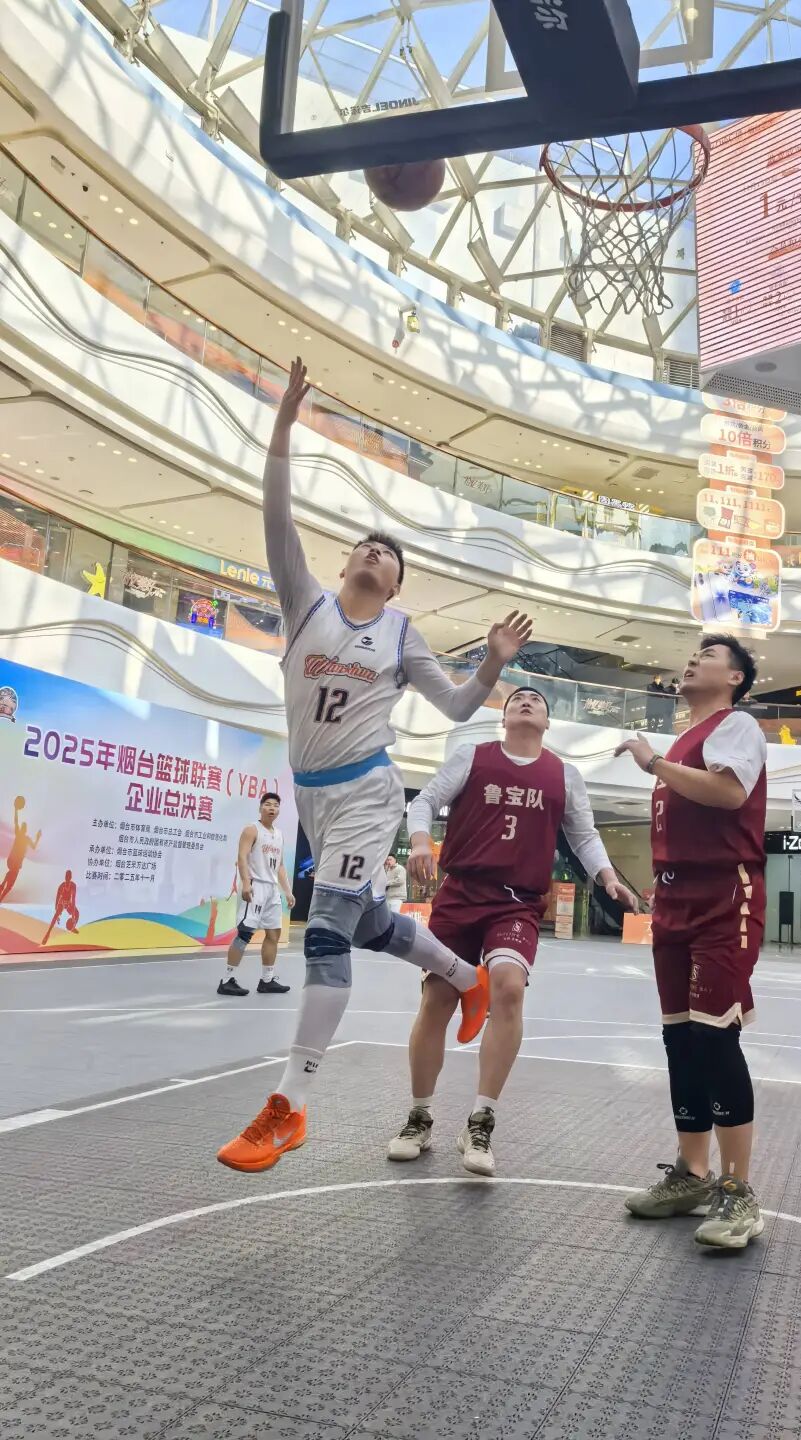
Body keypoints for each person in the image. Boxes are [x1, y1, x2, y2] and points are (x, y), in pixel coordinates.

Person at [217, 358, 532, 1173]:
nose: (372, 553)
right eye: (364, 545)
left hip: (366, 791)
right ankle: (462, 977)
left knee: (325, 929)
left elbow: (457, 708)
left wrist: (492, 664)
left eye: (387, 555)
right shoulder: (305, 603)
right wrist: (283, 425)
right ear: (346, 563)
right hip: (312, 797)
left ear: (395, 586)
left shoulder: (399, 635)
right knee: (363, 923)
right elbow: (276, 511)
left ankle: (288, 1105)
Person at [387, 686, 636, 1176]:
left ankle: (480, 1121)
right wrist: (418, 842)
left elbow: (584, 835)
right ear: (503, 718)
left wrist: (608, 877)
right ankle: (419, 1117)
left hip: (517, 902)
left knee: (509, 988)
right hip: (461, 892)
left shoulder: (563, 775)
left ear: (547, 722)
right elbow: (424, 802)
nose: (526, 701)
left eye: (537, 700)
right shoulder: (472, 757)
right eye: (516, 698)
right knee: (437, 998)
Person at [617, 634, 768, 1250]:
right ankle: (692, 1173)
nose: (691, 661)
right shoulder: (684, 742)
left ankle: (738, 1191)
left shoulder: (737, 727)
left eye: (708, 656)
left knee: (713, 1036)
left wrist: (653, 763)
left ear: (734, 679)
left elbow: (729, 793)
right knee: (679, 1038)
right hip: (675, 900)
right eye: (691, 654)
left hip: (724, 895)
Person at [218, 792, 295, 997]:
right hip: (255, 885)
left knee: (273, 934)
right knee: (245, 933)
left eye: (275, 805)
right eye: (268, 804)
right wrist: (245, 882)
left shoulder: (279, 834)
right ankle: (226, 980)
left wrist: (287, 891)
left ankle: (267, 980)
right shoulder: (252, 830)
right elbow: (242, 857)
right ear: (260, 808)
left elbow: (280, 866)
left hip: (272, 889)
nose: (272, 808)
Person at [0, 795, 40, 903]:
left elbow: (34, 847)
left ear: (24, 829)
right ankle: (2, 885)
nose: (22, 828)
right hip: (14, 861)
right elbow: (16, 821)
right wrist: (15, 810)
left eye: (23, 827)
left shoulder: (23, 837)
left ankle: (2, 889)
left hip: (14, 862)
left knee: (10, 885)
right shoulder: (22, 836)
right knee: (11, 879)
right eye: (23, 827)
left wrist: (37, 837)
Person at [42, 870, 79, 944]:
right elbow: (57, 899)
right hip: (62, 902)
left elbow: (73, 900)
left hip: (68, 902)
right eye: (66, 877)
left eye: (68, 877)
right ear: (65, 877)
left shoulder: (73, 885)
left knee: (77, 913)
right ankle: (47, 934)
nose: (67, 878)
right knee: (55, 916)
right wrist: (57, 912)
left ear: (70, 877)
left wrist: (73, 916)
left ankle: (72, 927)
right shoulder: (61, 886)